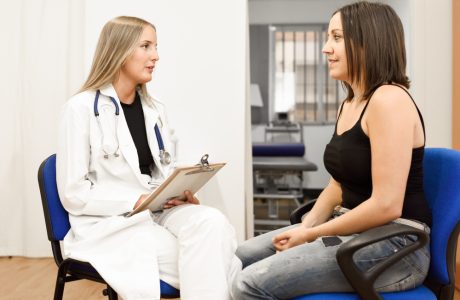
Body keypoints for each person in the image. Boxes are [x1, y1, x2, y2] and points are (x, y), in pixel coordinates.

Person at [233, 2, 432, 299]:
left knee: (248, 283)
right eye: (328, 38)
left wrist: (311, 234)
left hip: (397, 246)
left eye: (337, 38)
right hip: (355, 232)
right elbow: (338, 185)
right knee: (239, 256)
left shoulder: (389, 100)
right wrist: (306, 225)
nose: (326, 48)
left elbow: (386, 205)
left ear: (369, 42)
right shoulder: (349, 103)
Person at [56, 16, 240, 300]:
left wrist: (177, 191)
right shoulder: (80, 109)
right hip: (110, 221)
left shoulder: (154, 110)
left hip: (156, 209)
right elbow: (73, 194)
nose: (155, 56)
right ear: (119, 50)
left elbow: (157, 172)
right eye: (146, 46)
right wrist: (134, 201)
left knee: (212, 222)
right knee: (212, 259)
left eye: (155, 46)